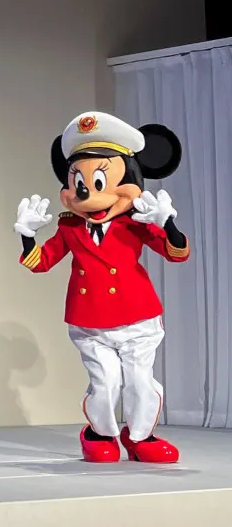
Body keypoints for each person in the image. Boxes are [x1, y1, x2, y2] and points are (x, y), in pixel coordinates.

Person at [15, 111, 188, 464]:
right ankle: (99, 432)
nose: (89, 196)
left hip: (138, 316)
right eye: (80, 184)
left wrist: (168, 226)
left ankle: (141, 436)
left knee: (140, 382)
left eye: (99, 183)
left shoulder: (135, 223)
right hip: (90, 320)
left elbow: (176, 254)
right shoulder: (70, 228)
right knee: (106, 381)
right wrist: (27, 237)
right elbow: (42, 261)